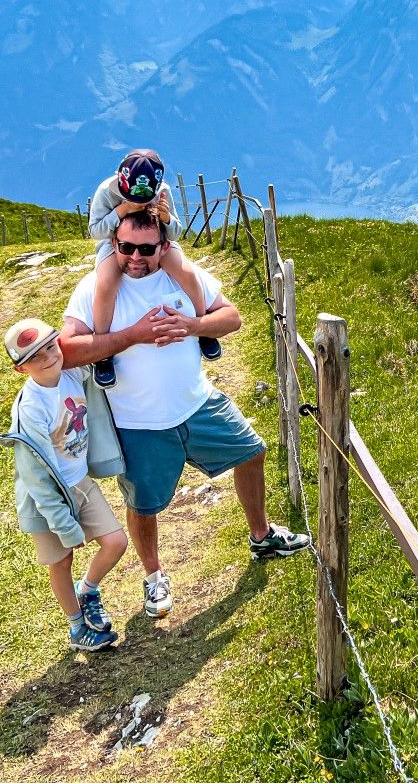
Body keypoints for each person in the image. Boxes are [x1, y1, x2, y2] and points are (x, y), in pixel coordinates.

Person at [59, 207, 309, 620]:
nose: (135, 258)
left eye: (145, 249)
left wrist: (194, 326)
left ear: (164, 245)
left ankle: (261, 536)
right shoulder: (93, 289)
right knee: (143, 504)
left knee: (252, 451)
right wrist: (131, 336)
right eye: (125, 248)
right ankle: (153, 576)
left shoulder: (181, 274)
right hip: (138, 424)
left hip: (198, 403)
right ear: (113, 243)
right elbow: (68, 351)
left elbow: (231, 317)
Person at [0, 317, 129, 652]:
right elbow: (36, 477)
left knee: (115, 542)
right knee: (61, 559)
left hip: (79, 482)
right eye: (34, 357)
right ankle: (76, 629)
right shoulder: (30, 408)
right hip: (47, 500)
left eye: (50, 347)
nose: (47, 358)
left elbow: (96, 352)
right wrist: (63, 523)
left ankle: (87, 590)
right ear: (21, 369)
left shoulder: (73, 375)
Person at [85, 149, 220, 387]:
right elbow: (95, 231)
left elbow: (176, 233)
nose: (140, 203)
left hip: (155, 243)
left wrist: (167, 219)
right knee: (106, 284)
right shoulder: (106, 191)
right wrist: (122, 211)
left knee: (186, 272)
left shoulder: (163, 191)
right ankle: (103, 353)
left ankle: (203, 327)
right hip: (115, 243)